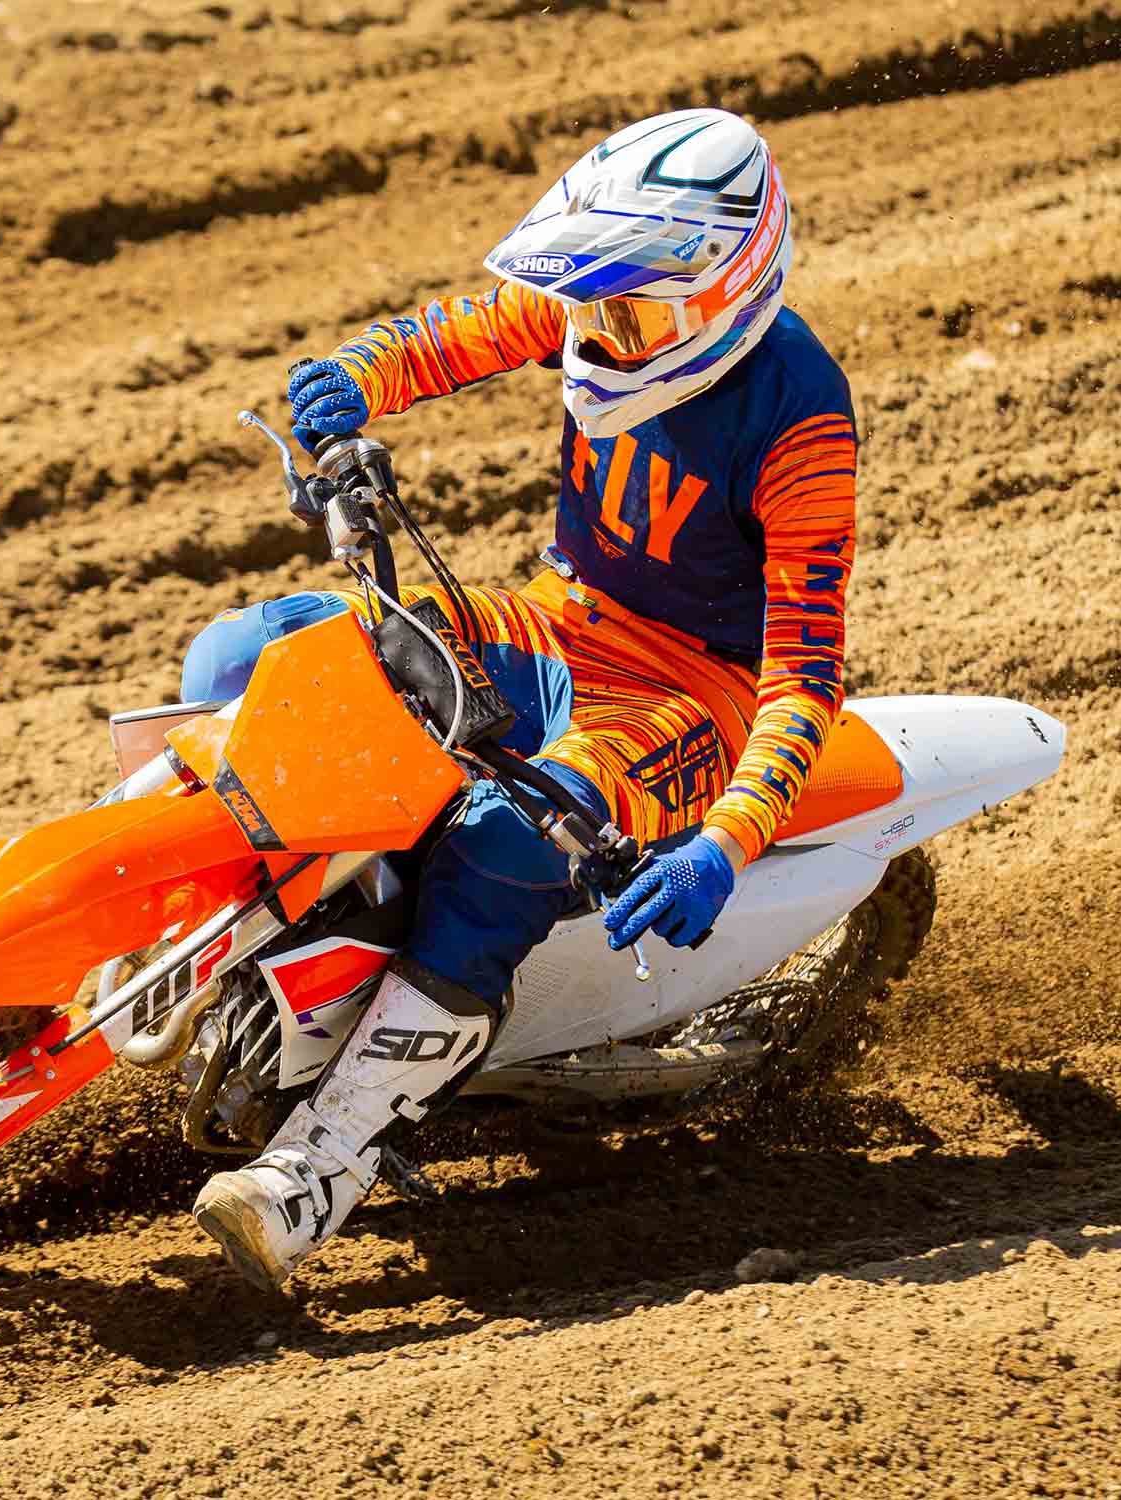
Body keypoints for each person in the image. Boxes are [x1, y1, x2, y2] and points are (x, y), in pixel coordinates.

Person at [189, 108, 858, 1291]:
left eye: (626, 315)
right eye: (591, 307)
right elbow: (449, 334)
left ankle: (324, 1162)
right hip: (555, 619)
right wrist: (348, 380)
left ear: (724, 289)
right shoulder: (610, 304)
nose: (596, 334)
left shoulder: (798, 418)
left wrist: (722, 844)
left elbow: (804, 672)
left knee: (506, 838)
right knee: (249, 657)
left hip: (679, 693)